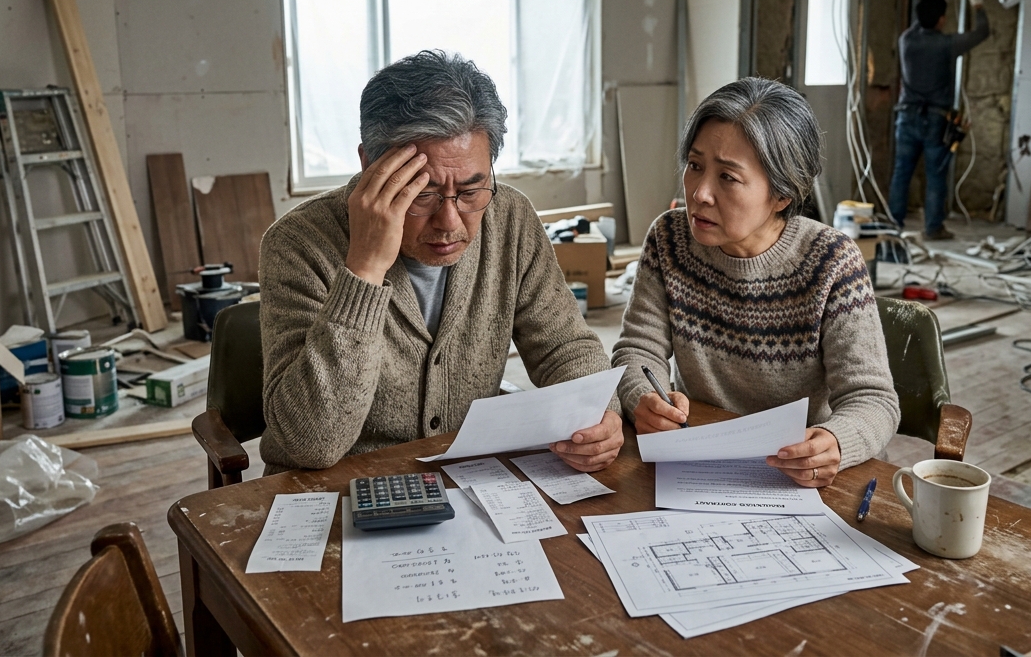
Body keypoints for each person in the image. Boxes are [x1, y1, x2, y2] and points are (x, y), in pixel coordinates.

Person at [260, 50, 623, 474]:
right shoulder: (297, 243)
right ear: (368, 166)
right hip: (337, 486)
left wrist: (598, 413)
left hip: (466, 475)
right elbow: (310, 444)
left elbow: (564, 346)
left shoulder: (510, 218)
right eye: (423, 194)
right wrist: (364, 270)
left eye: (471, 191)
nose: (451, 223)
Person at [612, 77, 900, 488]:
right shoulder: (669, 241)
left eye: (728, 177)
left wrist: (836, 441)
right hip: (698, 463)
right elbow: (637, 349)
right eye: (695, 166)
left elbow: (873, 400)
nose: (700, 194)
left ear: (781, 195)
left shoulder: (831, 262)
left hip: (795, 474)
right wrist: (643, 396)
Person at [888, 0, 990, 240]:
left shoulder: (906, 40)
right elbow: (982, 32)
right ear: (942, 20)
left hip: (906, 116)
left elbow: (916, 26)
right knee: (935, 175)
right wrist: (977, 5)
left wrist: (940, 0)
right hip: (935, 120)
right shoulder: (946, 44)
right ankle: (933, 228)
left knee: (902, 172)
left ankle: (892, 225)